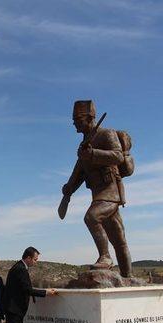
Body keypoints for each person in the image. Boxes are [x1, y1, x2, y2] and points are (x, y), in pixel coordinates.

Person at [60, 100, 133, 277]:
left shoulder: (106, 134)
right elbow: (80, 171)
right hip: (98, 194)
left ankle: (105, 257)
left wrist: (93, 153)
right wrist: (70, 187)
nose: (74, 123)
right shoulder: (84, 144)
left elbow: (117, 156)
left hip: (110, 192)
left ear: (90, 117)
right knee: (119, 241)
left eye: (78, 118)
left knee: (91, 217)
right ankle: (127, 277)